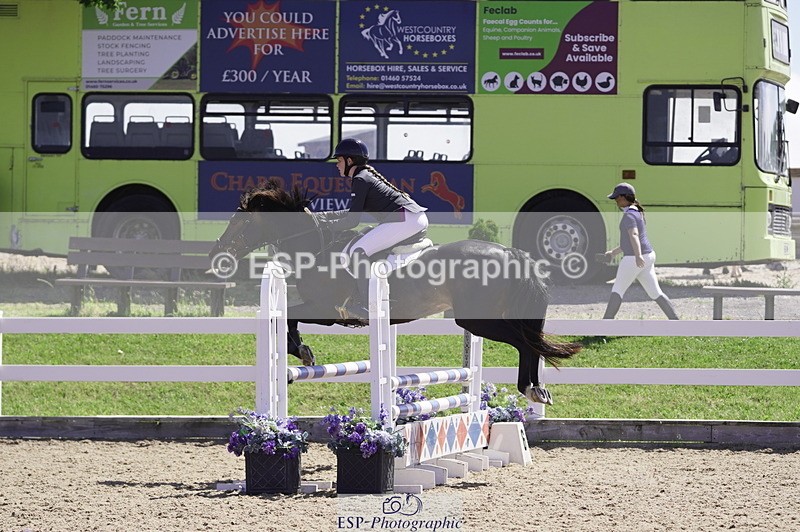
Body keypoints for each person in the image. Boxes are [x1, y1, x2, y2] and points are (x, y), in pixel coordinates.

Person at [322, 138, 428, 320]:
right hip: (410, 218)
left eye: (339, 160)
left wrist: (325, 226)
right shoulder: (363, 177)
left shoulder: (360, 179)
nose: (337, 165)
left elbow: (351, 221)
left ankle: (367, 306)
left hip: (406, 220)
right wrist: (321, 216)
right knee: (363, 238)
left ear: (349, 161)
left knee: (358, 251)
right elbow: (350, 213)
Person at [602, 182, 679, 320]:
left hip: (634, 258)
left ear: (624, 198)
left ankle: (604, 326)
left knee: (617, 290)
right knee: (655, 292)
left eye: (617, 198)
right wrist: (613, 253)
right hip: (648, 255)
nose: (615, 201)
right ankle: (677, 322)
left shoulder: (629, 216)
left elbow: (634, 235)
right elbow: (628, 242)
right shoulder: (637, 211)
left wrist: (637, 256)